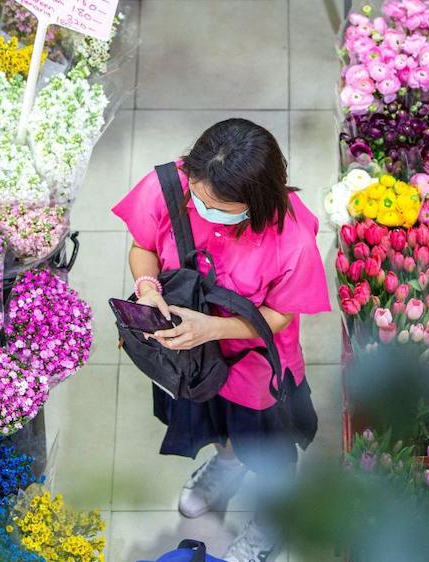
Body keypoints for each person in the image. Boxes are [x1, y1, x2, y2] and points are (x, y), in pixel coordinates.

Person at [112, 118, 330, 562]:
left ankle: (274, 515)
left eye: (217, 206)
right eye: (197, 195)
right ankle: (226, 464)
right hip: (191, 360)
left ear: (257, 201)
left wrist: (213, 327)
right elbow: (142, 247)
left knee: (267, 448)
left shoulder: (291, 240)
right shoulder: (170, 185)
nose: (200, 208)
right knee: (213, 422)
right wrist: (148, 287)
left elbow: (282, 314)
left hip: (253, 366)